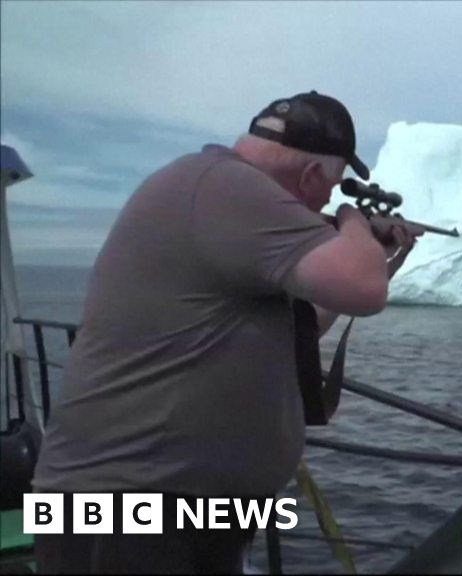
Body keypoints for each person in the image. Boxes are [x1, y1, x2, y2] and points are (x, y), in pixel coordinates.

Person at [31, 91, 423, 573]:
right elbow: (364, 289)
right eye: (335, 186)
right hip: (128, 507)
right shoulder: (225, 185)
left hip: (178, 505)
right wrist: (352, 222)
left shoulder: (221, 194)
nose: (329, 198)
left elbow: (296, 328)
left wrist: (376, 254)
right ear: (310, 176)